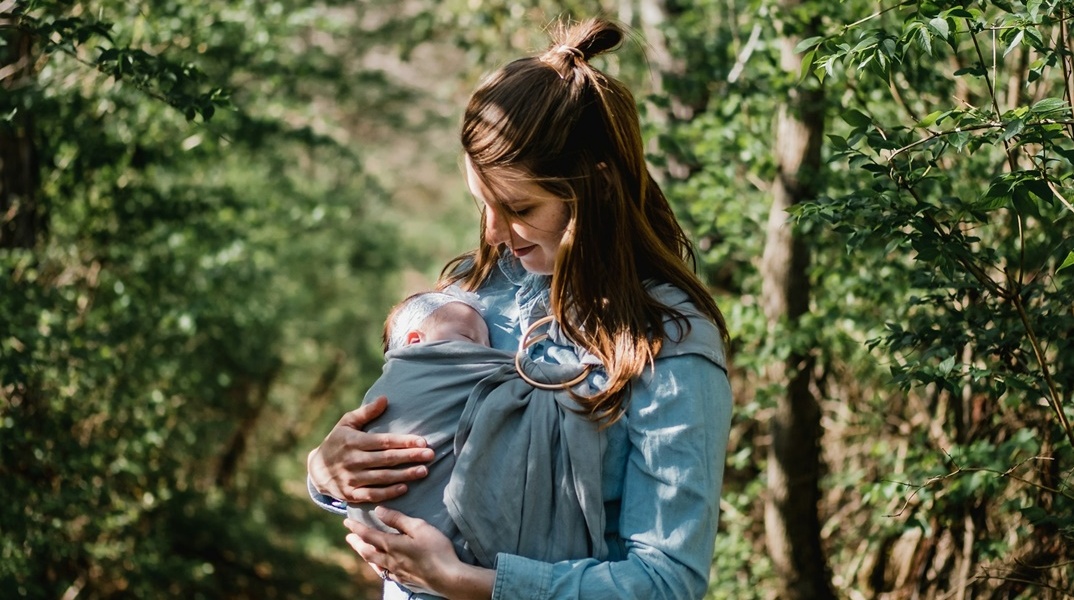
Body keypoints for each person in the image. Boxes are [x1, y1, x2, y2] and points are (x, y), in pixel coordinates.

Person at [307, 16, 733, 600]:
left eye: (518, 207)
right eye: (482, 202)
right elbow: (404, 459)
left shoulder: (668, 341)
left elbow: (666, 581)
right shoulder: (473, 295)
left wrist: (467, 582)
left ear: (597, 186)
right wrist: (327, 474)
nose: (495, 231)